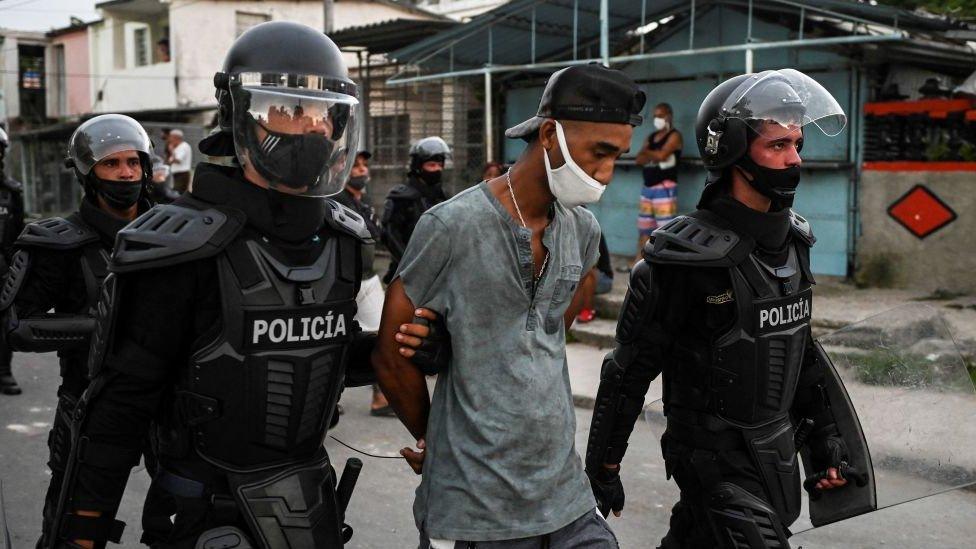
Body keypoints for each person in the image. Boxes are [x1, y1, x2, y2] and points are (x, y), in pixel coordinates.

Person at [46, 22, 439, 549]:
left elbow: (325, 357)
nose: (307, 131)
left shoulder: (343, 237)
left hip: (309, 503)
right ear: (237, 116)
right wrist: (82, 530)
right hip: (205, 507)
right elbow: (119, 407)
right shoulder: (177, 247)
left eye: (323, 117)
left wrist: (412, 348)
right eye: (285, 111)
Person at [373, 63, 646, 548]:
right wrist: (435, 441)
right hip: (474, 507)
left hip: (565, 495)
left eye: (617, 158)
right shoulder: (450, 226)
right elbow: (391, 358)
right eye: (599, 153)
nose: (605, 173)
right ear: (549, 135)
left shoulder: (582, 231)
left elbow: (545, 334)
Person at [585, 70, 858, 548]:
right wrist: (603, 465)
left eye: (797, 143)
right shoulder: (684, 258)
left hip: (774, 455)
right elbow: (628, 371)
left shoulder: (795, 242)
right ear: (730, 150)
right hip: (713, 464)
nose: (795, 159)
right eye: (777, 146)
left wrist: (826, 442)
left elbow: (800, 351)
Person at [0, 114, 156, 548]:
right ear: (88, 172)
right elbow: (16, 324)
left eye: (133, 163)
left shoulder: (175, 233)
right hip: (92, 402)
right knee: (73, 532)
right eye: (111, 164)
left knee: (188, 524)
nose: (126, 173)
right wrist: (102, 326)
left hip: (168, 407)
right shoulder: (59, 242)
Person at [331, 150, 393, 416]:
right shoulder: (336, 200)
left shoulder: (362, 201)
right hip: (341, 280)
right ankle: (328, 396)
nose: (361, 170)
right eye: (353, 165)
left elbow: (376, 233)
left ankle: (380, 398)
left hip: (367, 279)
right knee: (336, 339)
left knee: (382, 335)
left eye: (364, 165)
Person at [380, 136, 451, 284]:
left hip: (439, 272)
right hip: (407, 273)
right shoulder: (402, 197)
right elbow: (390, 235)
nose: (437, 169)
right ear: (418, 167)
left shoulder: (442, 196)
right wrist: (409, 266)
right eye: (431, 165)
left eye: (439, 165)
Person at [632, 103, 683, 266]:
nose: (657, 119)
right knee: (644, 228)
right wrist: (652, 155)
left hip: (664, 188)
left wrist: (649, 153)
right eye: (655, 116)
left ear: (668, 116)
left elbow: (662, 155)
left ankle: (665, 264)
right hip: (648, 188)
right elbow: (639, 159)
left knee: (665, 229)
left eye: (660, 115)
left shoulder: (674, 136)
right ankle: (638, 263)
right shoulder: (651, 137)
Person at [0, 126, 25, 396]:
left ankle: (3, 372)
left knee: (4, 323)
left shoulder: (10, 192)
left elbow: (18, 232)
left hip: (2, 267)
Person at [166, 128, 192, 193]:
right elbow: (170, 161)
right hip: (177, 174)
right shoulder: (177, 147)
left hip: (181, 174)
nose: (169, 140)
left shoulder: (184, 146)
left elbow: (177, 160)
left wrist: (171, 151)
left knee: (177, 194)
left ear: (176, 137)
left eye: (170, 137)